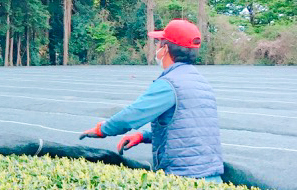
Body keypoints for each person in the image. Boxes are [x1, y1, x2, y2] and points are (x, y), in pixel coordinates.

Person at [80, 19, 224, 181]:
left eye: (158, 43)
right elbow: (188, 129)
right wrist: (143, 136)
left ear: (165, 48)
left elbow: (134, 113)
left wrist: (103, 129)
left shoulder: (170, 84)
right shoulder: (201, 82)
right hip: (212, 177)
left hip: (185, 178)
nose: (156, 48)